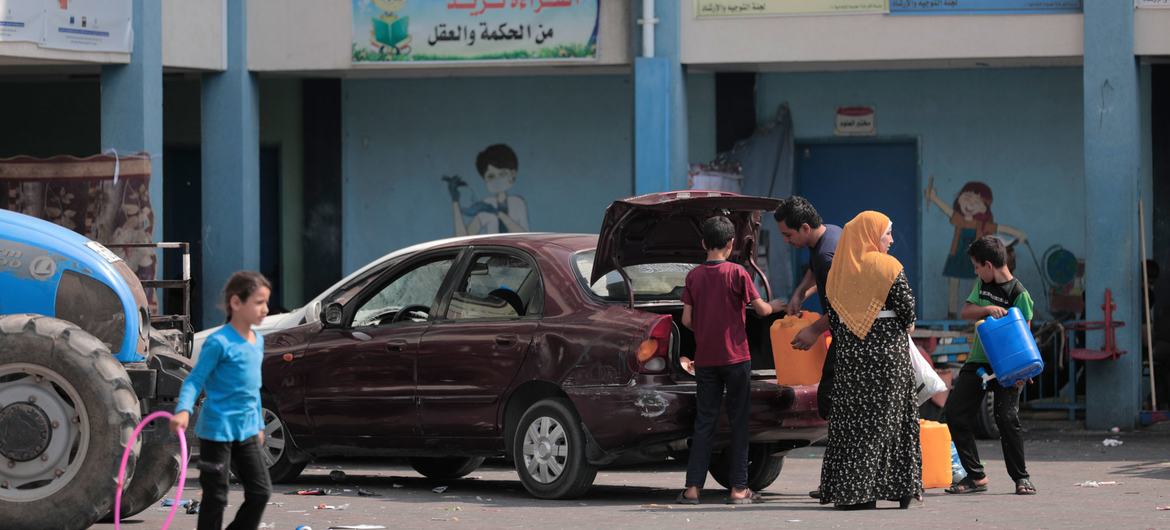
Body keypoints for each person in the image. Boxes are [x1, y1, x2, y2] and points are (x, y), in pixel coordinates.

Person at [676, 216, 782, 505]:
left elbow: (686, 319)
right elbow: (761, 311)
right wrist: (778, 305)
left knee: (705, 422)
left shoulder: (693, 277)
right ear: (731, 244)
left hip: (706, 361)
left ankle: (692, 489)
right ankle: (738, 489)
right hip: (736, 359)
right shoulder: (737, 273)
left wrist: (707, 330)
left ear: (703, 244)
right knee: (738, 422)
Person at [819, 210, 922, 510]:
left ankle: (854, 492)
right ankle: (901, 489)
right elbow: (907, 311)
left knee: (853, 423)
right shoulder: (887, 266)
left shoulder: (839, 270)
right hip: (888, 357)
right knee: (893, 420)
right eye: (887, 233)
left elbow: (835, 320)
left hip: (851, 360)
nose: (890, 240)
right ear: (871, 235)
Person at [170, 271, 273, 529]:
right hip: (217, 431)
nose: (266, 310)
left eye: (266, 302)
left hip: (248, 430)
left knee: (260, 492)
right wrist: (184, 410)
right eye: (259, 303)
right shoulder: (218, 342)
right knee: (216, 497)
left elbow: (253, 388)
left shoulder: (257, 341)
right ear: (236, 303)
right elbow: (195, 380)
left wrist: (259, 425)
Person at [944, 235, 1037, 495]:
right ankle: (975, 476)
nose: (975, 271)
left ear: (988, 265)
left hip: (1008, 367)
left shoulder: (1020, 294)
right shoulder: (982, 286)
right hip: (978, 362)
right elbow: (966, 311)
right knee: (955, 413)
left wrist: (1024, 371)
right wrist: (988, 309)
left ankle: (1022, 478)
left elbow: (1025, 336)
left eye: (976, 266)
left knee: (1006, 418)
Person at [773, 195, 841, 499]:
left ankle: (840, 479)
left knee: (831, 404)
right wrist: (801, 292)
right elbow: (815, 272)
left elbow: (843, 304)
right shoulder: (828, 235)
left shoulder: (828, 254)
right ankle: (836, 479)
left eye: (788, 235)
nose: (787, 241)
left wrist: (814, 330)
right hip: (841, 332)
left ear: (803, 227)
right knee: (834, 405)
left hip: (849, 337)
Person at [925, 180, 1027, 317]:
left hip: (976, 258)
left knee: (978, 282)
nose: (970, 204)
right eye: (967, 198)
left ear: (985, 207)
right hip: (958, 255)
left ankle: (977, 311)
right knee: (954, 283)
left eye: (977, 202)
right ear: (959, 198)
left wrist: (1017, 234)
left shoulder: (983, 224)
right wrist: (934, 198)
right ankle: (951, 312)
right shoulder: (959, 219)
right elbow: (948, 211)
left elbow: (1000, 228)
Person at [446, 143, 530, 236]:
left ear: (513, 174)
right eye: (491, 176)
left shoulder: (517, 203)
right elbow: (462, 239)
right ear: (484, 179)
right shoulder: (487, 204)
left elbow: (525, 238)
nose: (497, 180)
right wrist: (455, 201)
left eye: (502, 174)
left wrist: (497, 213)